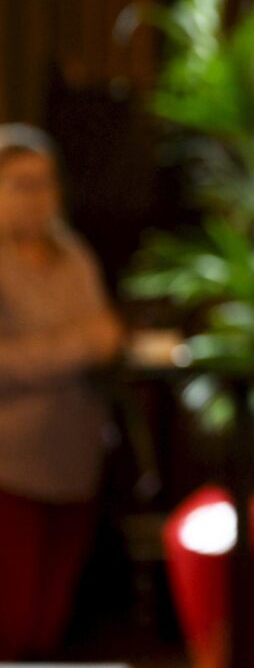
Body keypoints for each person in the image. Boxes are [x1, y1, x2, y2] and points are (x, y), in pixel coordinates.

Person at [0, 123, 124, 659]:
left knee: (48, 625)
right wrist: (77, 346)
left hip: (73, 457)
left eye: (46, 183)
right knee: (13, 621)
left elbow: (108, 333)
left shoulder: (74, 255)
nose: (38, 197)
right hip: (10, 464)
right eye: (22, 184)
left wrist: (97, 344)